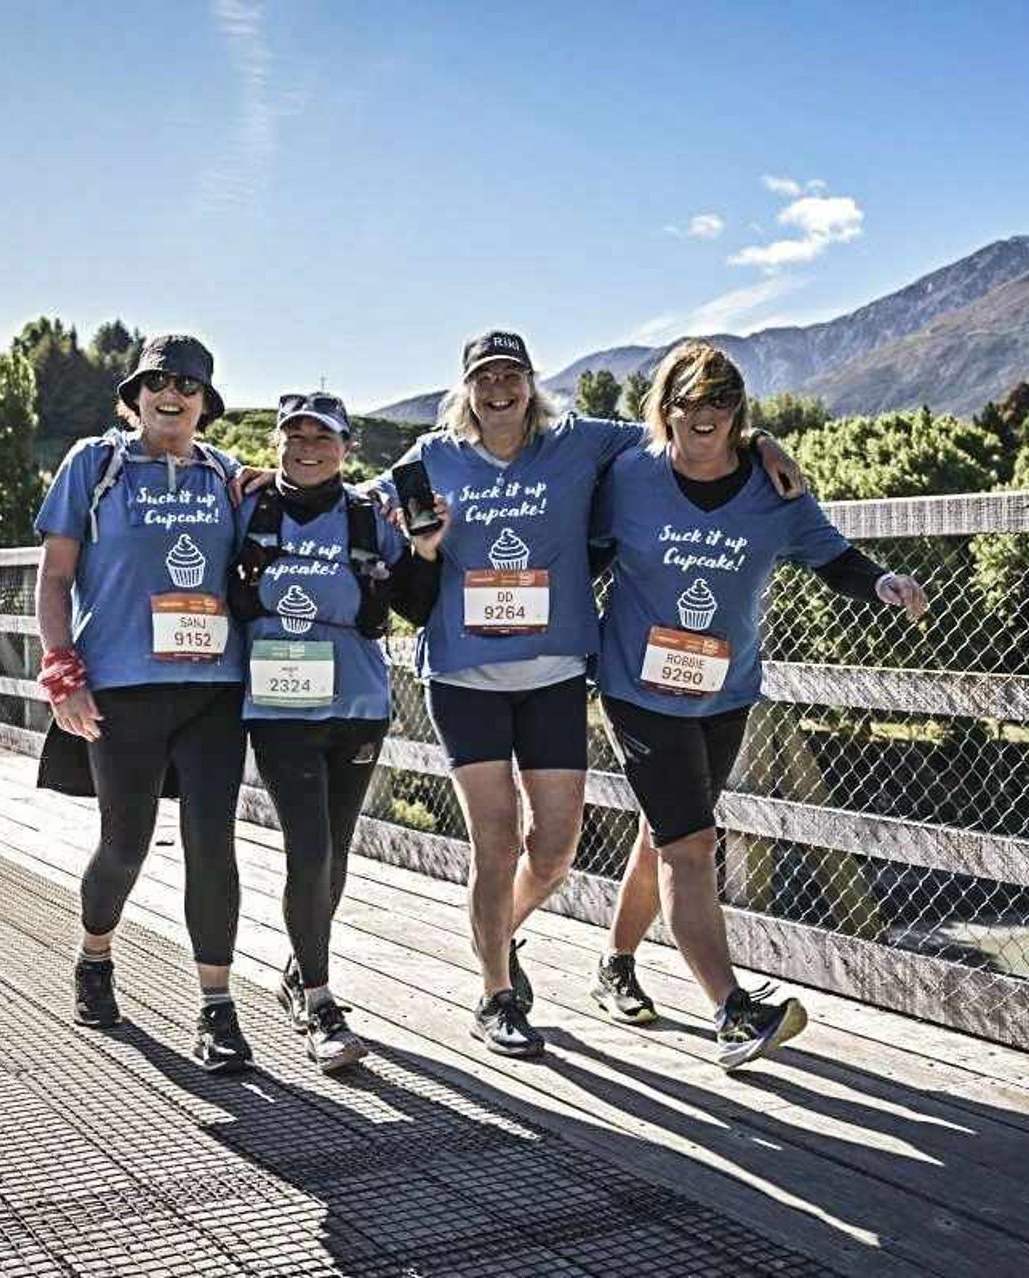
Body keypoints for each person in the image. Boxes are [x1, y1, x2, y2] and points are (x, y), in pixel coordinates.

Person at [378, 330, 807, 1058]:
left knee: (553, 852)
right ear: (466, 388)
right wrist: (258, 484)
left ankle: (498, 934)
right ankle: (495, 996)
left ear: (531, 381)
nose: (500, 389)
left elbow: (680, 423)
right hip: (464, 676)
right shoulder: (427, 458)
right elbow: (344, 502)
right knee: (495, 842)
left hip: (552, 674)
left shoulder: (578, 440)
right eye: (486, 377)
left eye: (512, 374)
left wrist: (759, 439)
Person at [587, 340, 928, 1069]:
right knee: (691, 845)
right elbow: (577, 537)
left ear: (738, 413)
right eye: (688, 403)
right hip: (637, 689)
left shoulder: (771, 489)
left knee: (671, 833)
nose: (702, 416)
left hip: (724, 689)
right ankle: (731, 1011)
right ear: (664, 410)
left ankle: (615, 964)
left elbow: (832, 554)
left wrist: (883, 583)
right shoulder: (629, 475)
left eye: (720, 403)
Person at [33, 334, 260, 1073]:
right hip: (122, 687)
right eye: (158, 381)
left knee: (211, 845)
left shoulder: (225, 475)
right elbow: (56, 577)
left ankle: (217, 1008)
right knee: (125, 843)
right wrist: (63, 672)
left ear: (206, 402)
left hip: (213, 689)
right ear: (135, 395)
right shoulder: (95, 466)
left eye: (189, 384)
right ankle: (95, 958)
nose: (173, 393)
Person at [228, 392, 445, 1072]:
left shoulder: (366, 516)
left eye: (323, 438)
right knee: (309, 849)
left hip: (355, 703)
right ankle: (321, 1002)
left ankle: (301, 970)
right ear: (279, 443)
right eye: (295, 435)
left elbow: (414, 604)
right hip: (278, 707)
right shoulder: (250, 507)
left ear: (347, 447)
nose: (308, 448)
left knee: (337, 849)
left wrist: (427, 550)